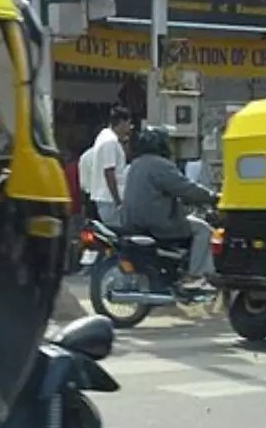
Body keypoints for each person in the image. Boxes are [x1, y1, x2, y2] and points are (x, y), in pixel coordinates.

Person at [122, 125, 219, 290]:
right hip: (157, 223)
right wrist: (212, 197)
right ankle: (194, 276)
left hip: (133, 221)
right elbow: (186, 188)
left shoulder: (136, 164)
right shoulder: (161, 165)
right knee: (203, 230)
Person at [87, 106, 132, 226]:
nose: (129, 128)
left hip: (105, 197)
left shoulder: (104, 136)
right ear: (122, 122)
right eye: (128, 124)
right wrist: (118, 201)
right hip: (109, 199)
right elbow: (109, 172)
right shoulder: (110, 141)